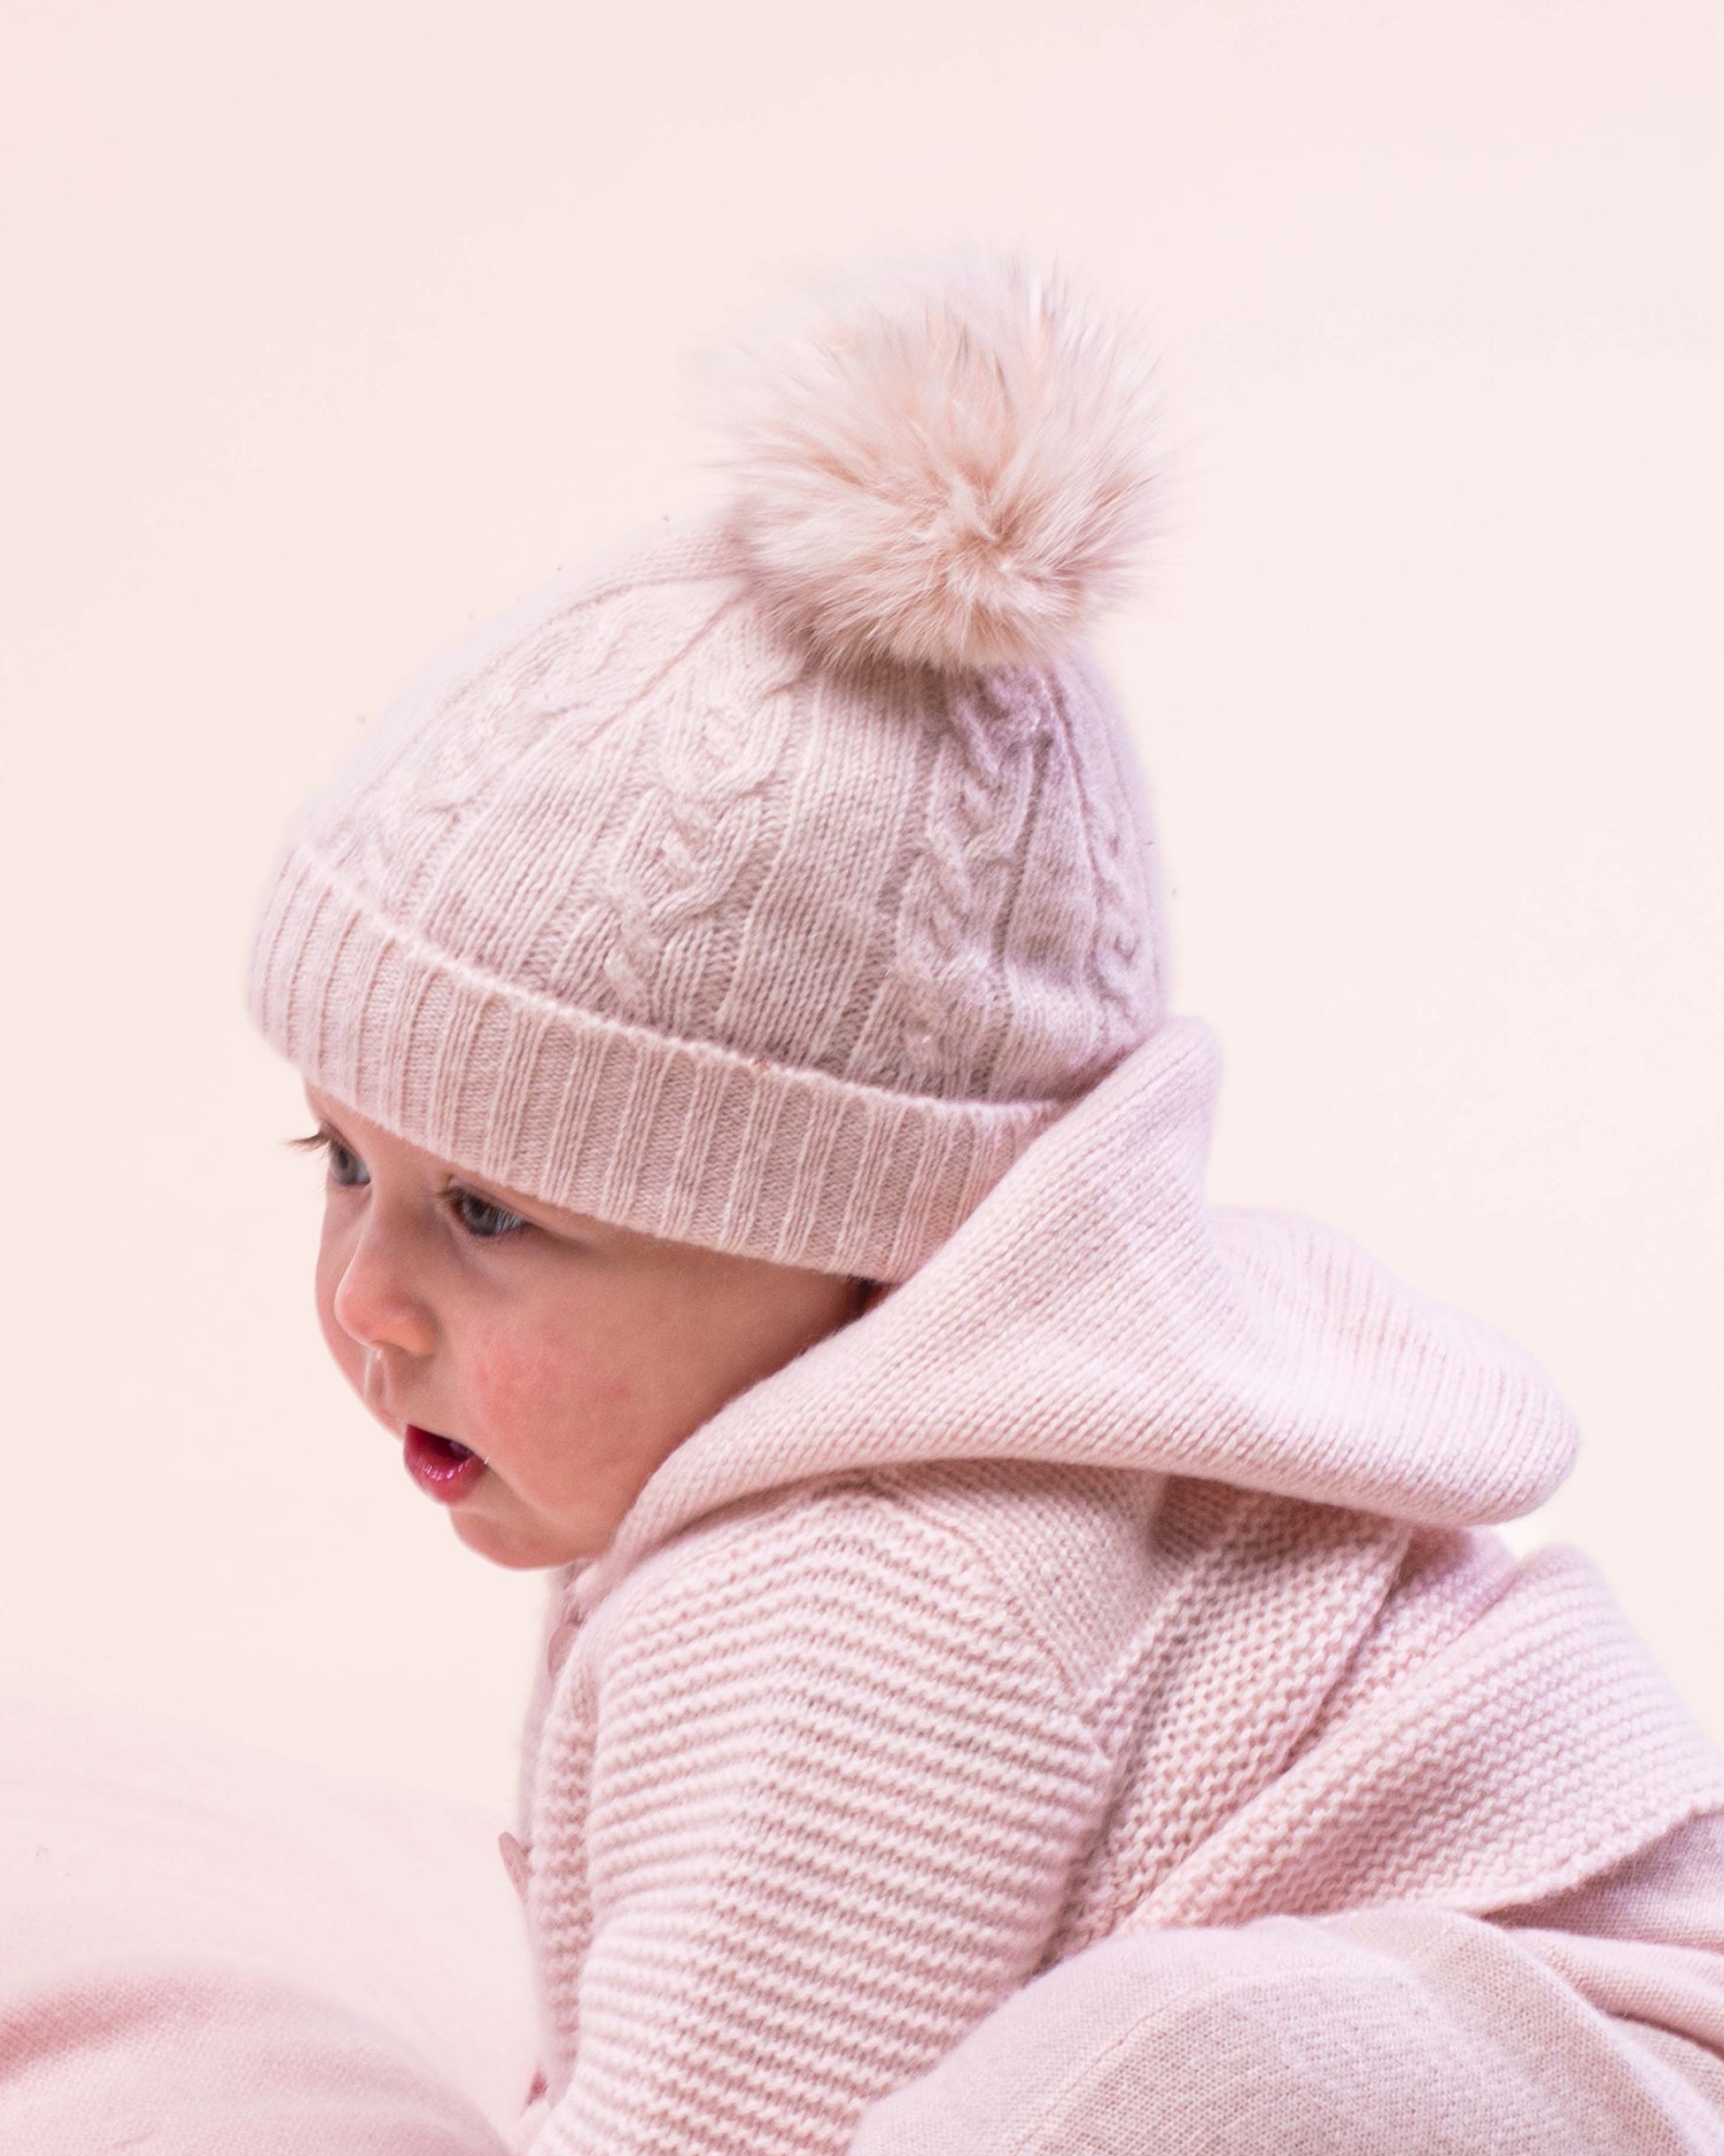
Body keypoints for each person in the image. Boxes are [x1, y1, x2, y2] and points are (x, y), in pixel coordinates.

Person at [247, 258, 1724, 2154]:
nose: (368, 1296)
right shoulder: (838, 1487)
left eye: (494, 1213)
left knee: (1166, 2061)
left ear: (870, 1238)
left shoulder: (882, 1574)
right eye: (340, 1161)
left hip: (1592, 2071)